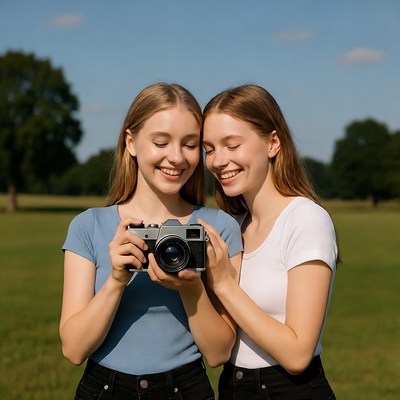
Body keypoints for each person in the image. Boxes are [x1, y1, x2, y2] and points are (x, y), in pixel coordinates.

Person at [59, 83, 242, 400]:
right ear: (131, 142)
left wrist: (191, 288)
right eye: (161, 142)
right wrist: (116, 281)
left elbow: (218, 354)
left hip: (186, 389)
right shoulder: (88, 226)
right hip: (103, 388)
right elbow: (74, 350)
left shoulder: (218, 228)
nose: (176, 157)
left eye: (189, 145)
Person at [200, 84, 338, 400]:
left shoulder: (306, 220)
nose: (219, 161)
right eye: (209, 149)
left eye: (232, 145)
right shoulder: (232, 226)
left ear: (273, 143)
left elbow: (297, 354)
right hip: (231, 386)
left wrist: (223, 285)